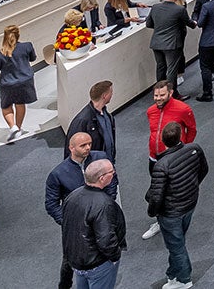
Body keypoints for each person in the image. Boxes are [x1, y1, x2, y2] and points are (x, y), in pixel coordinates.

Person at [46, 132, 117, 289]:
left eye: (89, 144)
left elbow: (112, 181)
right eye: (83, 145)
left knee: (102, 246)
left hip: (99, 216)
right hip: (75, 227)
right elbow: (51, 204)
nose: (88, 148)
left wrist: (108, 203)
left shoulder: (100, 158)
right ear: (71, 148)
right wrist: (68, 222)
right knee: (70, 259)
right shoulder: (58, 174)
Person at [146, 121, 209, 289]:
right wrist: (193, 187)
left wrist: (152, 212)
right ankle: (173, 274)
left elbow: (156, 195)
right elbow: (204, 169)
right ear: (180, 135)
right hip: (190, 203)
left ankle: (184, 279)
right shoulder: (195, 148)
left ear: (163, 140)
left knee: (177, 247)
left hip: (171, 212)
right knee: (178, 242)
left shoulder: (161, 165)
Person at [138, 80, 196, 242]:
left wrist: (183, 150)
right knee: (158, 191)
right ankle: (160, 220)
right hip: (154, 158)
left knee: (174, 191)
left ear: (170, 93)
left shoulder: (183, 109)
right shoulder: (150, 111)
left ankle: (175, 221)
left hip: (173, 159)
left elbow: (191, 129)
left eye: (162, 95)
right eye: (156, 95)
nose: (158, 98)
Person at [60, 159, 125, 289]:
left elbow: (66, 227)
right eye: (111, 172)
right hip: (98, 263)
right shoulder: (104, 204)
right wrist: (115, 255)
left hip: (77, 260)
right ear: (102, 178)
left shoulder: (72, 196)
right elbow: (106, 239)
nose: (114, 174)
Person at [147, 0, 195, 98]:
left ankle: (159, 94)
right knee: (172, 70)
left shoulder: (155, 7)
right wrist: (195, 23)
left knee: (160, 68)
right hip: (172, 44)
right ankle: (173, 95)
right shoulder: (179, 9)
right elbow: (189, 23)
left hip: (157, 43)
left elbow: (149, 24)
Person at [0, 24, 38, 142]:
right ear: (18, 35)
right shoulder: (27, 46)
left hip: (8, 84)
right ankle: (18, 128)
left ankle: (13, 127)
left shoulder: (0, 53)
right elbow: (33, 58)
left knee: (6, 106)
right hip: (25, 81)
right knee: (20, 104)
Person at [66, 81, 117, 161]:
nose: (112, 94)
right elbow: (71, 148)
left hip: (106, 161)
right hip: (94, 165)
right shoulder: (82, 120)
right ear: (104, 96)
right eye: (111, 92)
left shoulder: (107, 115)